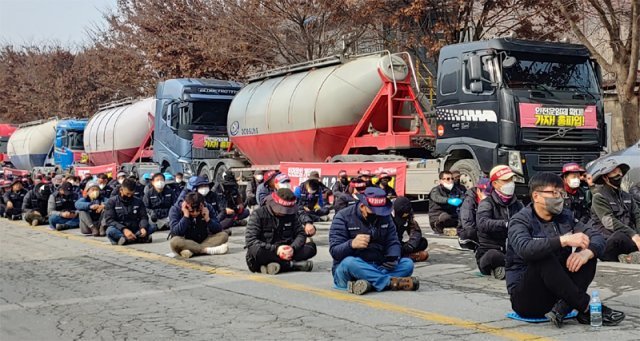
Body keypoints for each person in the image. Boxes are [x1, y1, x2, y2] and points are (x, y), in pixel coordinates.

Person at [506, 172, 625, 328]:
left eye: (561, 193)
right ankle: (586, 307)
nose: (558, 197)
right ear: (536, 196)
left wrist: (587, 253)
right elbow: (525, 249)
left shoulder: (565, 217)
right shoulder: (520, 220)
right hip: (527, 298)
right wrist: (563, 240)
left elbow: (596, 235)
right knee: (543, 256)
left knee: (587, 256)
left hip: (557, 294)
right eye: (553, 193)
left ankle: (562, 308)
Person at [329, 187, 418, 295]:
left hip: (378, 265)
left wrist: (393, 258)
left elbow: (393, 241)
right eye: (374, 212)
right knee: (350, 262)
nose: (378, 215)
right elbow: (335, 251)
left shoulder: (385, 217)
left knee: (407, 264)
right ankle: (389, 282)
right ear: (362, 206)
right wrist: (351, 244)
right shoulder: (342, 217)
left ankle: (369, 283)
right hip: (352, 268)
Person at [245, 188, 316, 274]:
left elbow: (301, 233)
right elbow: (251, 241)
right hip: (268, 250)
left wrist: (292, 248)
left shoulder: (291, 215)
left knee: (311, 248)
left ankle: (275, 266)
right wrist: (277, 250)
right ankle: (292, 265)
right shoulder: (258, 214)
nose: (284, 213)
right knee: (255, 251)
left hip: (288, 249)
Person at [476, 166, 524, 279]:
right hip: (491, 251)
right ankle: (510, 268)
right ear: (495, 184)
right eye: (506, 180)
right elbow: (483, 223)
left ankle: (506, 269)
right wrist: (505, 224)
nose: (510, 183)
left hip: (513, 250)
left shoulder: (518, 204)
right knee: (493, 256)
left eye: (511, 180)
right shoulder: (487, 203)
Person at [589, 162, 640, 264]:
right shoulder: (599, 197)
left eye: (620, 172)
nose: (619, 175)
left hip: (628, 238)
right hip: (608, 239)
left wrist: (638, 235)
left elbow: (638, 216)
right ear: (605, 177)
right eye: (614, 172)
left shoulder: (627, 196)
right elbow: (609, 222)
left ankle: (629, 258)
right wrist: (633, 234)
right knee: (618, 237)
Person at [169, 192, 229, 258]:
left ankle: (192, 251)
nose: (195, 213)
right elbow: (175, 232)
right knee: (174, 242)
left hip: (204, 240)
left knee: (224, 235)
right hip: (186, 242)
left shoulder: (207, 207)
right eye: (191, 211)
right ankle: (207, 250)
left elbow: (218, 229)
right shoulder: (175, 209)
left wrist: (208, 219)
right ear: (186, 206)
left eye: (198, 211)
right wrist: (186, 216)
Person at [104, 178, 153, 245]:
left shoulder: (138, 201)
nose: (129, 196)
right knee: (110, 231)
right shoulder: (112, 202)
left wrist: (143, 227)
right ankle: (135, 238)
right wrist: (124, 229)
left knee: (152, 226)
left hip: (135, 228)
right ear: (121, 190)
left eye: (131, 194)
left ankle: (129, 239)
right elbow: (109, 220)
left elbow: (143, 217)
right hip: (120, 228)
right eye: (127, 193)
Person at [458, 177, 490, 251]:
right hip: (472, 232)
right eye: (485, 192)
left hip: (487, 230)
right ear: (478, 191)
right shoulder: (469, 201)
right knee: (469, 232)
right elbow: (467, 223)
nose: (488, 195)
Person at [392, 196, 429, 262]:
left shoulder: (408, 213)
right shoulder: (386, 213)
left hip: (399, 243)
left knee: (423, 242)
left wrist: (411, 245)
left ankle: (404, 255)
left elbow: (415, 230)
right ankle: (406, 256)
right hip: (388, 243)